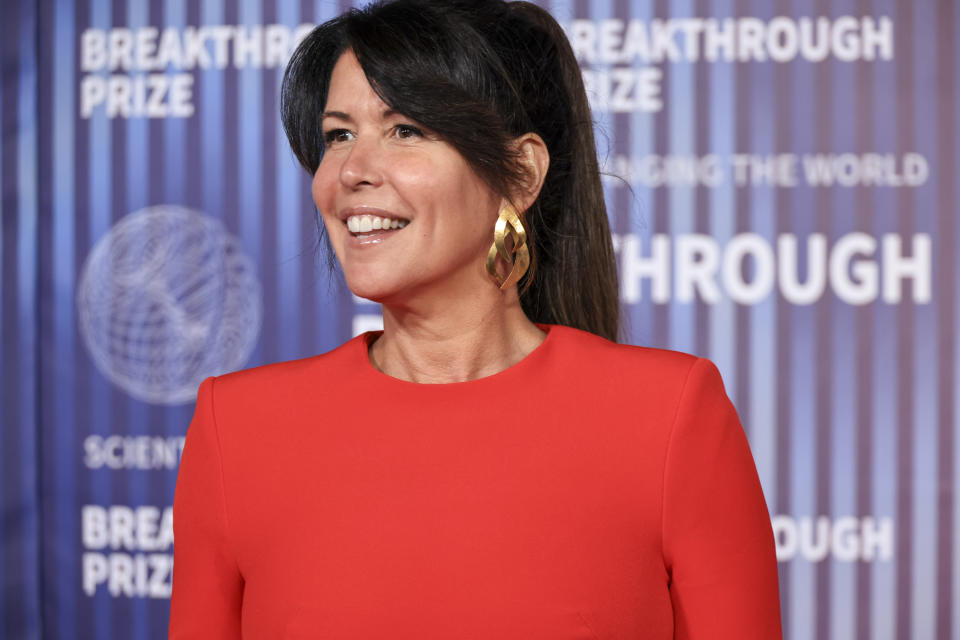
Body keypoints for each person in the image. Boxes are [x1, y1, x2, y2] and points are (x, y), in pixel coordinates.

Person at [168, 1, 782, 638]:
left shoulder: (670, 416)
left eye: (405, 129)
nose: (351, 171)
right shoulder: (235, 429)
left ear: (520, 174)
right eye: (338, 135)